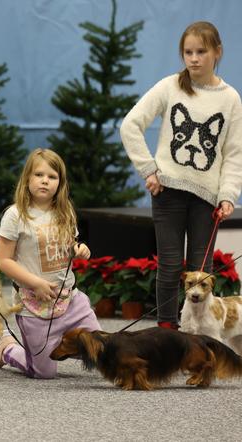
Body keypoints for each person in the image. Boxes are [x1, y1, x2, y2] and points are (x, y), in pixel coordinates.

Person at [120, 21, 242, 329]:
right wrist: (148, 169)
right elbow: (130, 125)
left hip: (207, 201)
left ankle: (199, 340)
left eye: (201, 51)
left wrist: (228, 195)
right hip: (168, 193)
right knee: (171, 267)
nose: (194, 58)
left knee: (200, 271)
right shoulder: (169, 86)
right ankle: (167, 332)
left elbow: (234, 154)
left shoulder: (230, 99)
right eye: (188, 52)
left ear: (218, 52)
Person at [0, 148, 101, 379]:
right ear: (27, 178)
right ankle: (9, 348)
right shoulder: (15, 215)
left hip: (70, 301)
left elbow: (68, 244)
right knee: (43, 372)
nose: (45, 181)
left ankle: (61, 344)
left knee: (99, 348)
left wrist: (79, 250)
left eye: (52, 177)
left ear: (60, 183)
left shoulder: (65, 211)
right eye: (39, 175)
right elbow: (3, 260)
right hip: (34, 304)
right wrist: (36, 283)